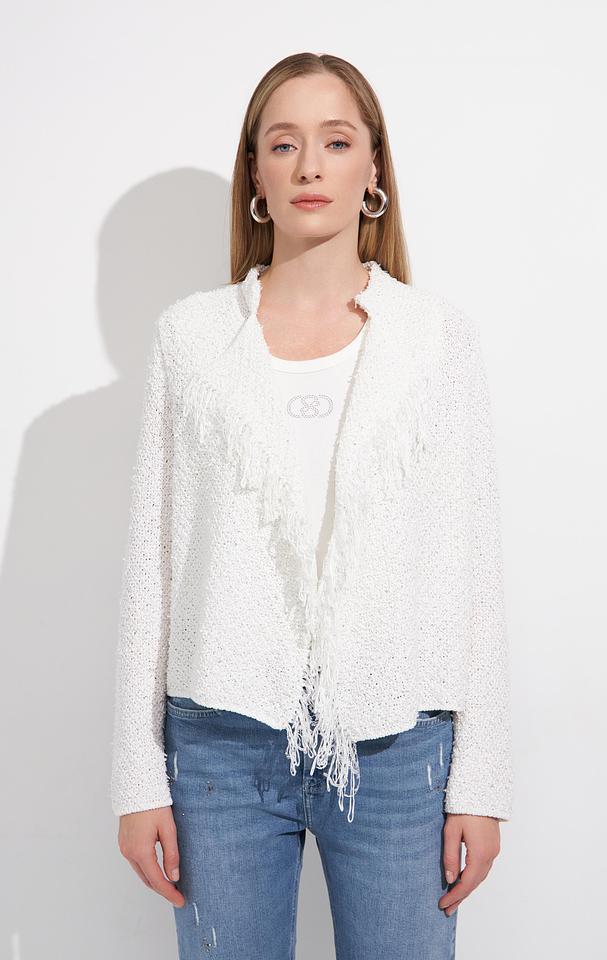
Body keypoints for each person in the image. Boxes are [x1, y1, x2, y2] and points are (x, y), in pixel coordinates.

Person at [111, 51, 513, 960]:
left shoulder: (437, 341)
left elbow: (474, 569)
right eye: (283, 144)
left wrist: (482, 783)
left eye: (336, 141)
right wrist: (136, 777)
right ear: (256, 175)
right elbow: (150, 566)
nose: (309, 166)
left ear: (374, 168)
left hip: (397, 745)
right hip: (218, 745)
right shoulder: (190, 339)